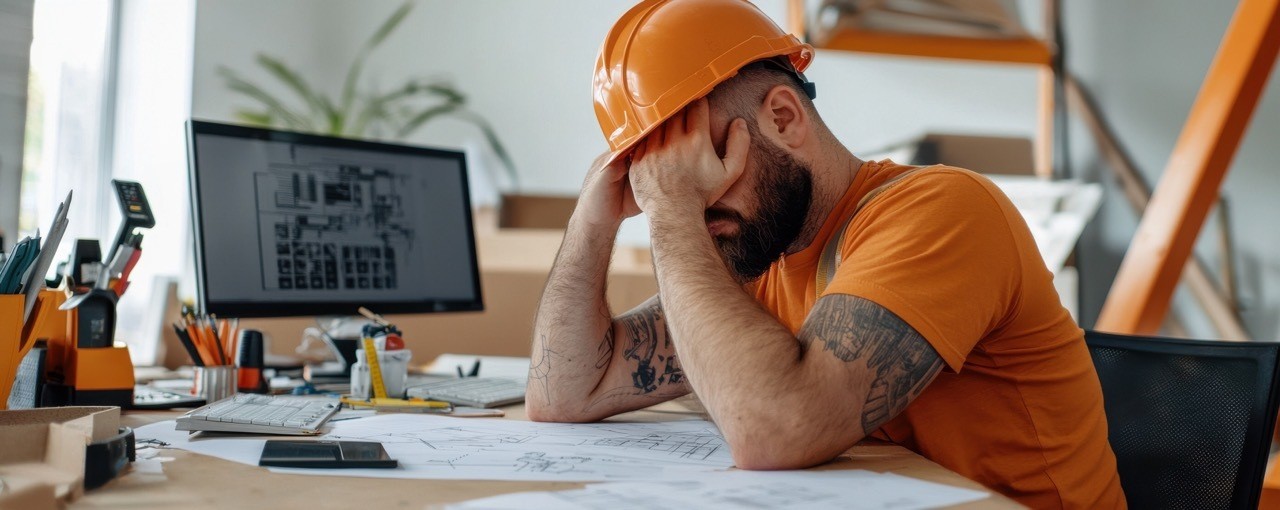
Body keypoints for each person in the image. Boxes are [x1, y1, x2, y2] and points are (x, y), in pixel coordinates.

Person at [525, 0, 1125, 507]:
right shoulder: (756, 253)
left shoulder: (941, 212)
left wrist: (674, 213)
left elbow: (775, 433)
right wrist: (590, 220)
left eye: (703, 170)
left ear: (783, 118)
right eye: (661, 179)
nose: (694, 206)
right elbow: (565, 392)